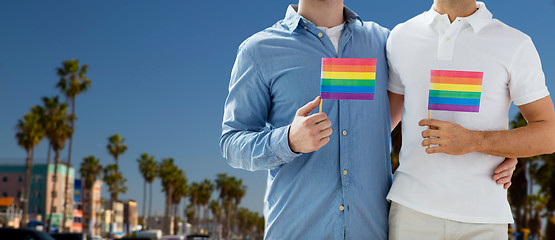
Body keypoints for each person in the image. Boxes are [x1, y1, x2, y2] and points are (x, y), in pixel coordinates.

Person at [221, 0, 516, 239]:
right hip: (297, 229)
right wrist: (287, 140)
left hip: (372, 230)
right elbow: (232, 142)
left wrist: (491, 150)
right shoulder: (259, 50)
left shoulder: (386, 43)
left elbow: (433, 101)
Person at [386, 0, 555, 239]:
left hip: (484, 220)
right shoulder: (401, 37)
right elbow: (380, 125)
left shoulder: (515, 44)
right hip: (411, 214)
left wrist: (477, 141)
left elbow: (549, 134)